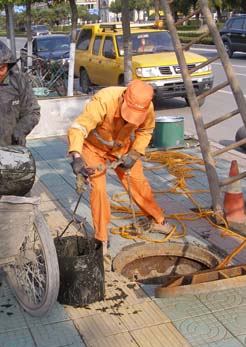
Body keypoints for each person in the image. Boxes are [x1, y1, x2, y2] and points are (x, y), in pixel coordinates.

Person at [67, 79, 173, 260]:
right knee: (99, 191)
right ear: (124, 98)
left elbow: (145, 131)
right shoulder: (104, 100)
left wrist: (135, 153)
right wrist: (77, 156)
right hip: (94, 149)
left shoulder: (147, 106)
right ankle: (101, 238)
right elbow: (79, 127)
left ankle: (158, 219)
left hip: (122, 149)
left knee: (139, 184)